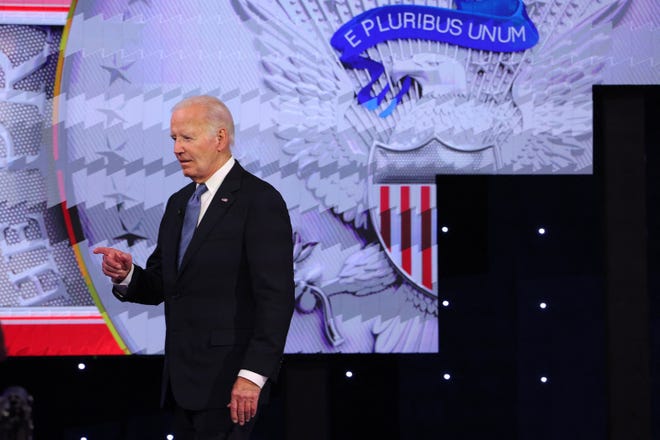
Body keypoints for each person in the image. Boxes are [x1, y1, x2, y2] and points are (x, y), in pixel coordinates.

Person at [94, 95, 295, 439]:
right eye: (174, 139)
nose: (177, 149)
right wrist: (127, 274)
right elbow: (162, 284)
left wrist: (253, 375)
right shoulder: (179, 204)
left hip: (233, 386)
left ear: (220, 139)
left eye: (186, 138)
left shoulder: (259, 201)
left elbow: (276, 299)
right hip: (183, 384)